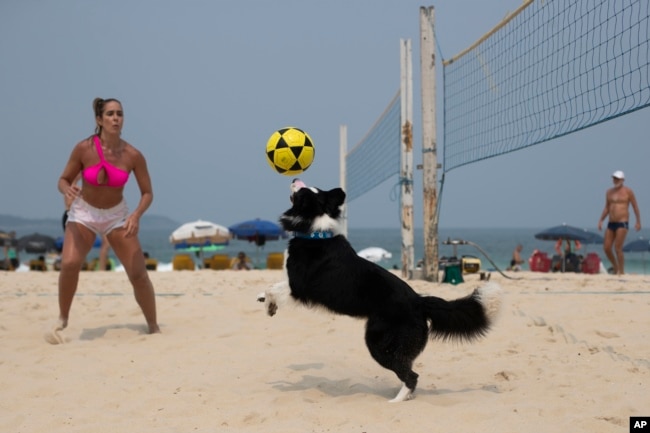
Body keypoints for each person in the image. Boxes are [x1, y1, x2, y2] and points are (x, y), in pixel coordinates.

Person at [46, 97, 160, 344]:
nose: (116, 118)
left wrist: (136, 215)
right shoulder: (83, 149)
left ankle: (153, 326)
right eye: (110, 114)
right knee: (69, 264)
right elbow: (63, 179)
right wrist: (67, 190)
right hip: (84, 213)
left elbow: (148, 193)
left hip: (116, 215)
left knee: (139, 274)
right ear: (99, 120)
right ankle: (62, 318)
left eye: (119, 113)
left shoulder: (133, 155)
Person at [597, 170, 641, 275]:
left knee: (618, 248)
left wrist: (638, 221)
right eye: (614, 178)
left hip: (622, 222)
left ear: (622, 180)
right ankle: (615, 267)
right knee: (606, 247)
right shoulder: (609, 192)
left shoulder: (628, 192)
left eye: (617, 178)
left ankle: (621, 271)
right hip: (611, 222)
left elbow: (635, 206)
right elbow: (607, 208)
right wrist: (601, 220)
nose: (615, 180)